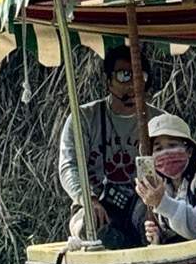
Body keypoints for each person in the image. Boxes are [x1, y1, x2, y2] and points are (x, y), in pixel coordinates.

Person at [57, 47, 164, 246]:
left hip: (142, 201)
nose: (133, 84)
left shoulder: (159, 120)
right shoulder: (85, 118)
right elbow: (68, 167)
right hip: (96, 201)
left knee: (158, 225)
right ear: (108, 81)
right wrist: (89, 199)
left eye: (140, 76)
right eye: (124, 76)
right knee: (88, 225)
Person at [136, 114, 196, 245]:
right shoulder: (159, 186)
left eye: (172, 145)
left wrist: (162, 203)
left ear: (189, 151)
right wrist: (157, 238)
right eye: (158, 149)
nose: (166, 153)